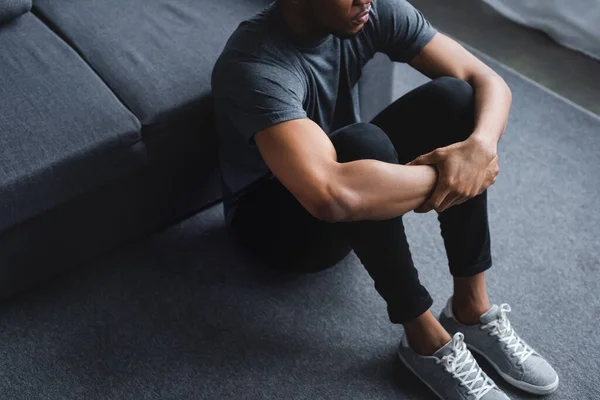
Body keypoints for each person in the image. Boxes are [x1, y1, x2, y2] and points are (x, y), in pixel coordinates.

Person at [211, 0, 559, 398]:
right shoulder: (254, 65)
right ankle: (424, 340)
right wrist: (454, 175)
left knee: (457, 99)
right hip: (279, 229)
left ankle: (471, 308)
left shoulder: (369, 10)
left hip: (351, 187)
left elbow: (486, 80)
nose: (368, 1)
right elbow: (331, 195)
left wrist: (477, 149)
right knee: (362, 145)